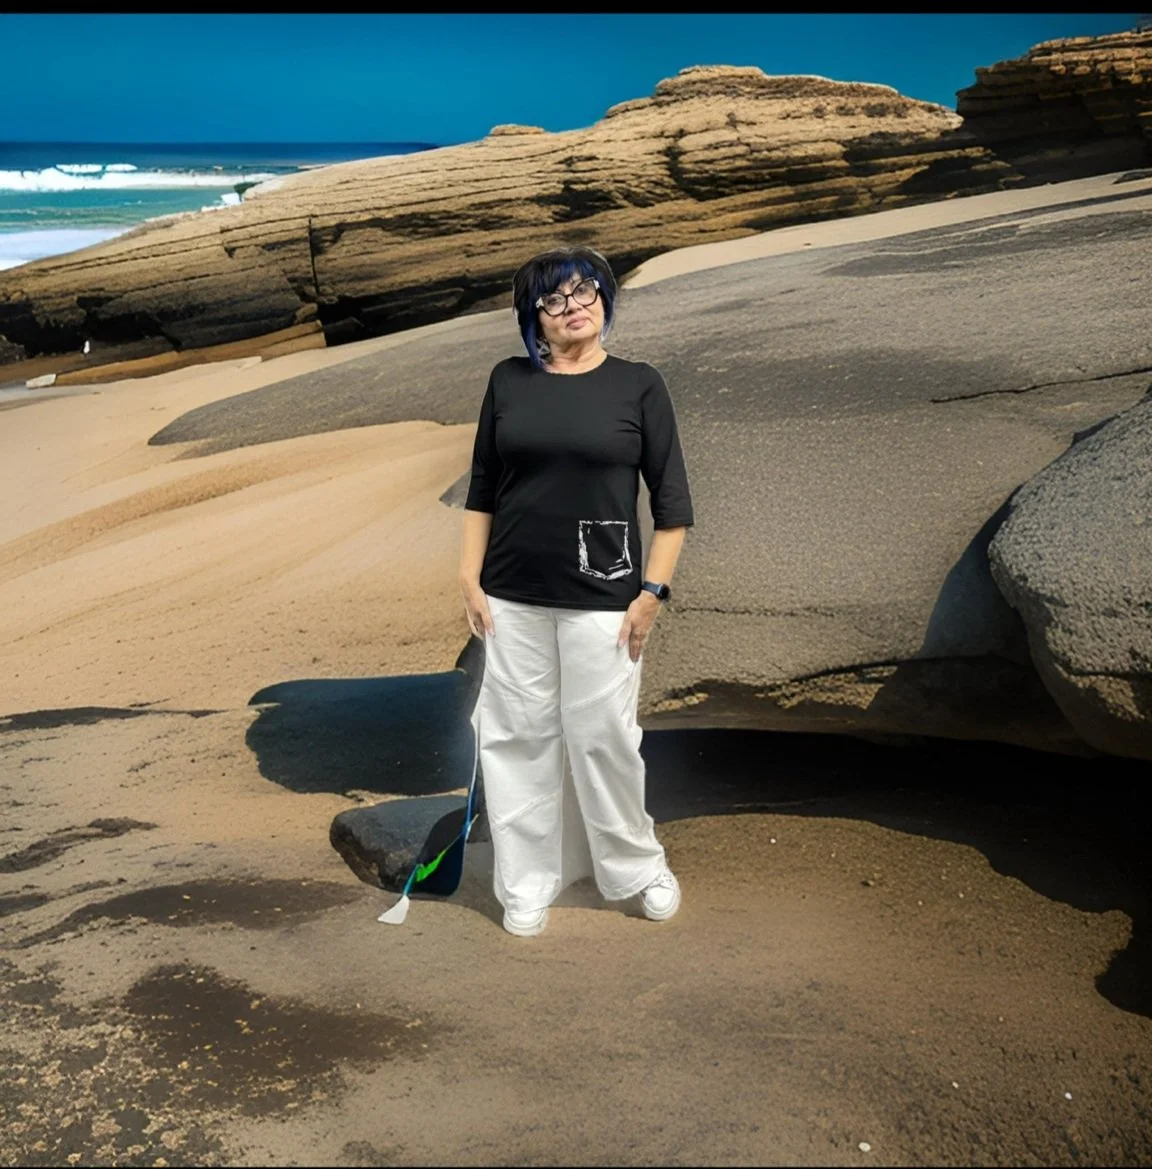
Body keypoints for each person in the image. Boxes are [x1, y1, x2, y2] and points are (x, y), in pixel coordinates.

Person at [459, 245, 695, 938]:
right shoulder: (508, 381)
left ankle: (636, 867)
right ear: (533, 316)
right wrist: (469, 576)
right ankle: (526, 882)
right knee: (517, 738)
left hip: (606, 598)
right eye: (555, 298)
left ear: (604, 299)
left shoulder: (638, 385)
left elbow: (673, 504)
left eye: (586, 290)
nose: (574, 306)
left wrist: (652, 592)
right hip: (512, 595)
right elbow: (482, 487)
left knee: (604, 739)